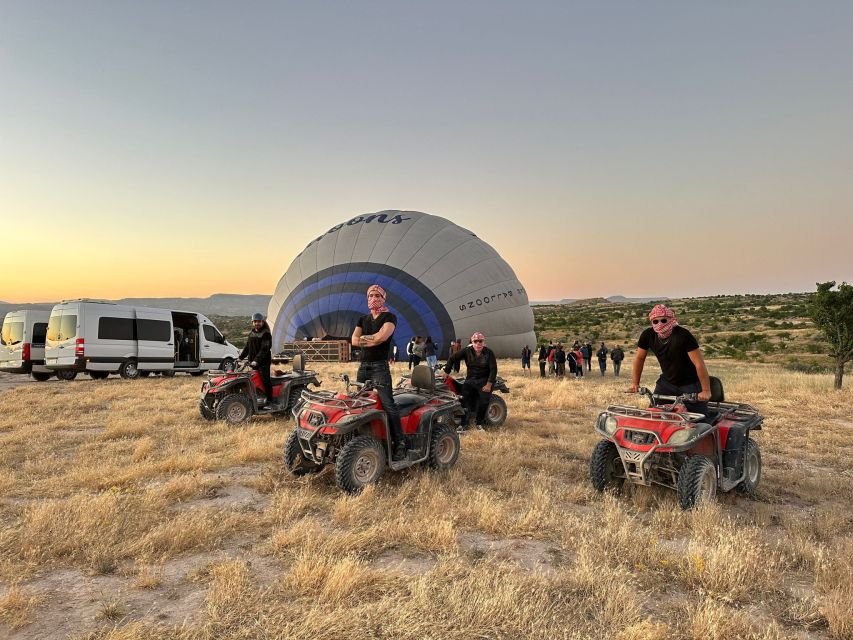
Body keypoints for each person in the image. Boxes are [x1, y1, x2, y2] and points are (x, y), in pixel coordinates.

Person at [351, 285, 407, 461]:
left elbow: (382, 337)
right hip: (363, 366)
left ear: (384, 298)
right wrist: (372, 339)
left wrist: (365, 340)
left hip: (379, 367)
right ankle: (359, 439)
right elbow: (353, 340)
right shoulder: (362, 319)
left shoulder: (389, 317)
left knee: (388, 403)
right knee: (358, 402)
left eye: (377, 295)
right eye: (370, 295)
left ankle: (400, 443)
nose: (373, 298)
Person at [629, 304, 711, 415]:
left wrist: (706, 390)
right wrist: (635, 383)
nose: (660, 324)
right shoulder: (648, 335)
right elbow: (639, 358)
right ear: (651, 323)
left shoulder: (683, 335)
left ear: (671, 319)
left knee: (700, 418)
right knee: (653, 414)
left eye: (663, 320)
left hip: (690, 383)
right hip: (667, 383)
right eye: (655, 321)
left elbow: (698, 363)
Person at [442, 332, 497, 429]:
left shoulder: (489, 352)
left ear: (483, 342)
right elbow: (452, 358)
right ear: (472, 342)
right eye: (475, 341)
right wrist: (446, 372)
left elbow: (493, 369)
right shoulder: (467, 351)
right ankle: (464, 423)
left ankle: (479, 423)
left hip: (484, 380)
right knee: (463, 398)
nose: (478, 343)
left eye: (480, 341)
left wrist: (488, 384)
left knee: (484, 400)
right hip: (470, 379)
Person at [240, 313, 273, 406]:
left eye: (258, 321)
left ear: (262, 322)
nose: (256, 323)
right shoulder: (252, 333)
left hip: (263, 363)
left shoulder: (266, 333)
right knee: (254, 381)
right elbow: (247, 347)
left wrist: (256, 360)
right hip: (253, 363)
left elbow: (265, 349)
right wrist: (240, 357)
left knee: (265, 380)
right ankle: (257, 399)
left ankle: (270, 400)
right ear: (252, 322)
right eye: (255, 321)